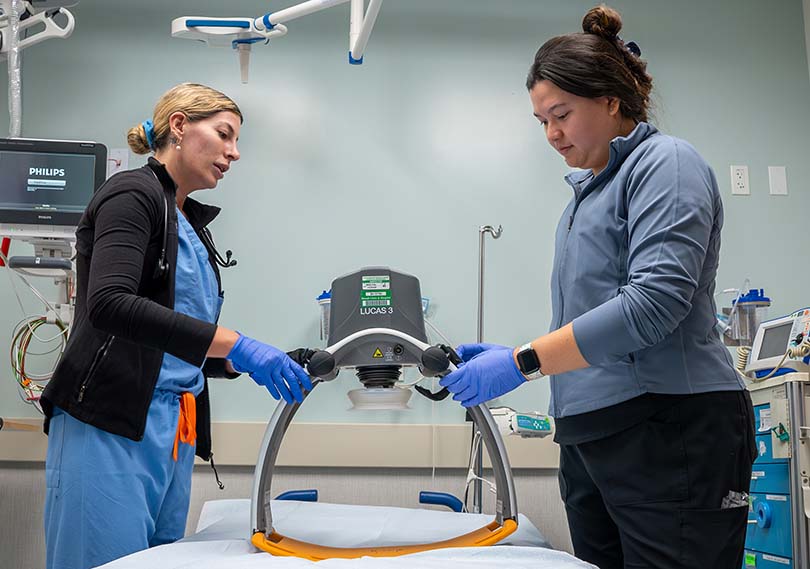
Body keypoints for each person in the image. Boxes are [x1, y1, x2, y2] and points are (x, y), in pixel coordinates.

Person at [440, 6, 756, 568]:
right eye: (541, 121)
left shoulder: (666, 163)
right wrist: (516, 353)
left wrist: (523, 361)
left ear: (611, 100)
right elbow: (597, 319)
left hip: (668, 426)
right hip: (591, 434)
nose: (551, 134)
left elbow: (652, 305)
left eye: (560, 114)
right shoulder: (585, 196)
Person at [41, 83, 312, 569]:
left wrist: (242, 359)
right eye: (225, 134)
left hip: (171, 428)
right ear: (181, 126)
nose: (234, 152)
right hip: (109, 423)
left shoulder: (184, 218)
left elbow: (168, 334)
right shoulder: (132, 194)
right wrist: (240, 344)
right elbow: (108, 303)